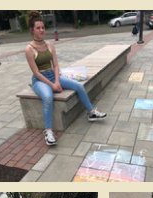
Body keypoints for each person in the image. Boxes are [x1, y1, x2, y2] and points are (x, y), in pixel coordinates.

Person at [24, 11, 107, 146]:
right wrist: (52, 85)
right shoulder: (29, 49)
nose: (42, 30)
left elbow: (56, 65)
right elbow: (36, 72)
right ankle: (48, 132)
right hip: (40, 80)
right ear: (32, 30)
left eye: (43, 27)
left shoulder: (50, 45)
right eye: (38, 28)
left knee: (79, 86)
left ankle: (91, 112)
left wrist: (57, 81)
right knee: (48, 97)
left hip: (53, 75)